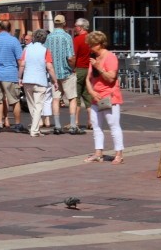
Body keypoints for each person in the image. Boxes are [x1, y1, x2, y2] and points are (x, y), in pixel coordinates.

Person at [84, 31, 124, 164]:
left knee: (113, 125)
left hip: (109, 96)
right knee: (96, 125)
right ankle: (98, 153)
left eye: (92, 45)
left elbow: (111, 77)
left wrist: (98, 67)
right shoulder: (94, 57)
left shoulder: (110, 57)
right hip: (96, 96)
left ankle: (118, 153)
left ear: (100, 44)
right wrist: (91, 91)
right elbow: (88, 77)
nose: (90, 47)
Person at [0, 21, 24, 133]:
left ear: (0, 28)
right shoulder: (14, 41)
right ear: (10, 28)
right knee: (15, 101)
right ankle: (17, 124)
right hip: (10, 74)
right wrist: (21, 74)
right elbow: (20, 60)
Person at [19, 28, 57, 138]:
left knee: (32, 106)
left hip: (27, 80)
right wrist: (55, 81)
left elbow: (22, 64)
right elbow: (49, 67)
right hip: (40, 80)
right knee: (39, 105)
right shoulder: (45, 50)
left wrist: (19, 77)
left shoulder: (27, 50)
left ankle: (35, 127)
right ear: (45, 39)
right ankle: (34, 130)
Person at [46, 14, 78, 135]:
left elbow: (47, 56)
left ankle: (58, 125)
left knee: (55, 99)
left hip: (54, 73)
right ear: (64, 23)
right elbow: (70, 57)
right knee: (72, 98)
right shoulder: (67, 37)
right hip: (66, 72)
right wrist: (73, 67)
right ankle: (73, 125)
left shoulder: (49, 37)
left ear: (54, 23)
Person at [73, 18, 91, 131]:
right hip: (89, 69)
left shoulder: (77, 39)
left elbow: (74, 55)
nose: (75, 28)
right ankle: (91, 121)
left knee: (76, 96)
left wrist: (72, 68)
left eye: (76, 26)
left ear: (81, 27)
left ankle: (75, 122)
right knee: (88, 96)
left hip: (79, 69)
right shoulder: (91, 38)